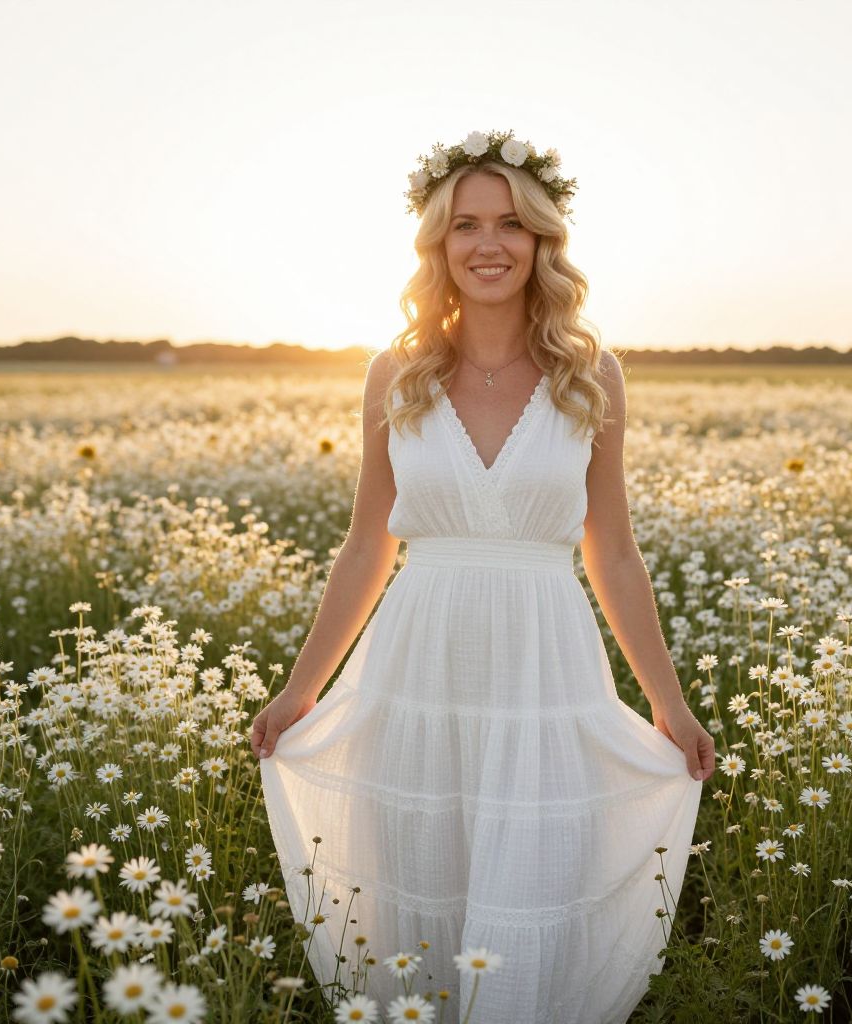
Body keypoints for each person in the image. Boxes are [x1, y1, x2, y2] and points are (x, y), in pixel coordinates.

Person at [253, 129, 715, 1024]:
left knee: (529, 882)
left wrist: (669, 701)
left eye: (512, 224)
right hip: (416, 665)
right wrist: (298, 691)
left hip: (544, 665)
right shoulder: (396, 373)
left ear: (544, 241)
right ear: (438, 243)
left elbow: (610, 549)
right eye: (466, 225)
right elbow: (365, 546)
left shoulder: (592, 377)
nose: (489, 244)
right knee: (415, 883)